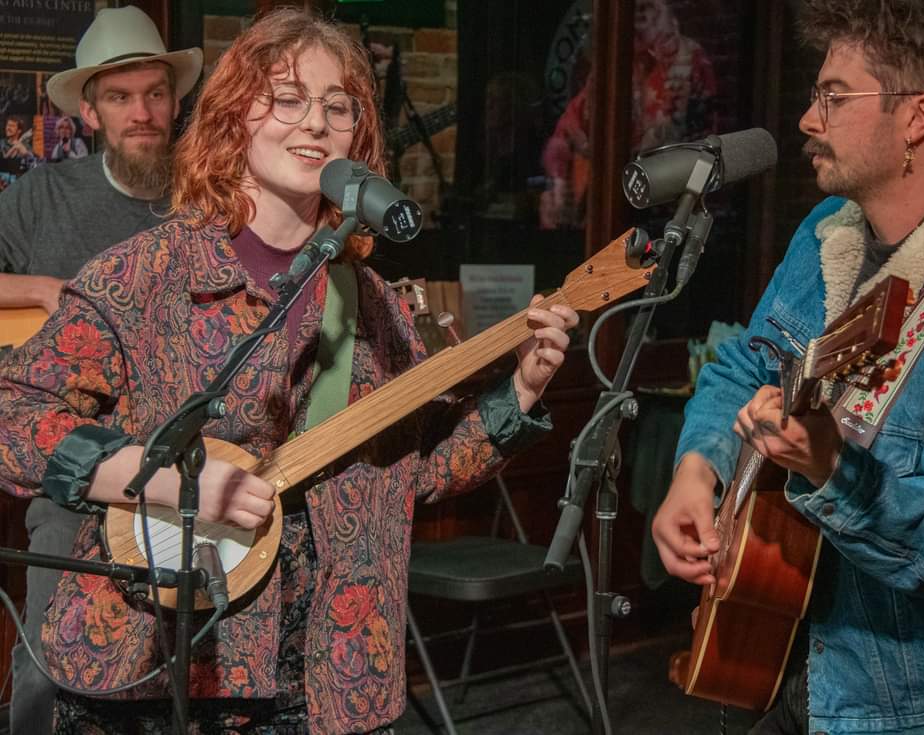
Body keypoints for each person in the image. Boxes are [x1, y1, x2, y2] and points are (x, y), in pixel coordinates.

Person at [0, 7, 579, 734]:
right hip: (169, 663)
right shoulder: (146, 274)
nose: (315, 123)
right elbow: (13, 418)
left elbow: (417, 467)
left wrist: (522, 387)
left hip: (325, 674)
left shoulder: (374, 306)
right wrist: (159, 478)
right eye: (288, 97)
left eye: (337, 106)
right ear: (235, 115)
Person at [651, 1, 924, 734]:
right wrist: (696, 471)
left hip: (920, 701)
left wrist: (835, 470)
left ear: (919, 117)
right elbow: (744, 366)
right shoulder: (826, 235)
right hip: (800, 652)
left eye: (834, 97)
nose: (808, 121)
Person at [0, 7, 202, 735]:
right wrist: (44, 290)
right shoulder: (42, 197)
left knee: (196, 679)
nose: (142, 112)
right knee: (42, 676)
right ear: (88, 110)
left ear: (176, 100)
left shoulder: (212, 196)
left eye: (155, 93)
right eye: (120, 97)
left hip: (197, 475)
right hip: (77, 479)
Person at [538, 0, 721, 229]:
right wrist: (559, 180)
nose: (638, 18)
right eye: (635, 10)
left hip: (663, 208)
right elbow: (569, 126)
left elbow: (680, 140)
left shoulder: (690, 60)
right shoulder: (618, 63)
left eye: (646, 9)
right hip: (606, 204)